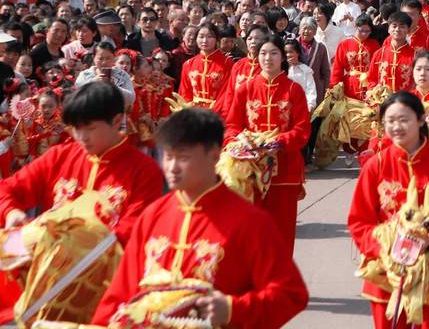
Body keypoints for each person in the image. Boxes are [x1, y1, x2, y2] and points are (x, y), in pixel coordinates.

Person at [92, 109, 308, 328]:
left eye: (183, 158)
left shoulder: (250, 222)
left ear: (214, 155)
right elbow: (120, 293)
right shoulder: (152, 216)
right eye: (168, 156)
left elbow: (290, 294)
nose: (172, 168)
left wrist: (233, 309)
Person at [348, 91, 429, 329]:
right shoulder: (376, 165)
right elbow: (358, 221)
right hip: (387, 273)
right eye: (390, 121)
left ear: (421, 120)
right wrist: (388, 245)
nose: (397, 127)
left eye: (404, 119)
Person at [0, 82, 163, 245]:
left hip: (109, 265)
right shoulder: (60, 156)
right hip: (51, 262)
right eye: (76, 128)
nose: (82, 137)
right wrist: (11, 212)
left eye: (90, 128)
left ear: (116, 120)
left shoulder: (144, 170)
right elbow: (7, 189)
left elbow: (135, 229)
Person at [224, 35, 311, 251]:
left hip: (285, 171)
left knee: (282, 232)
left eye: (273, 53)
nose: (267, 58)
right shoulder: (245, 88)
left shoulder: (293, 90)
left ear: (283, 57)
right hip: (249, 171)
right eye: (263, 53)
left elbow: (302, 130)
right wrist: (242, 143)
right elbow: (231, 126)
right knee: (251, 232)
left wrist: (278, 142)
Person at [177, 22, 234, 113]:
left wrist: (213, 112)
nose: (205, 40)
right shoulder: (188, 64)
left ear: (217, 40)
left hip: (217, 114)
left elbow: (227, 93)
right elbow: (184, 92)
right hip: (193, 114)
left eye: (210, 37)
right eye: (201, 36)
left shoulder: (227, 63)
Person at [330, 15, 380, 99]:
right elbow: (337, 67)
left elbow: (378, 67)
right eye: (361, 30)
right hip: (350, 85)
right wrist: (335, 86)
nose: (364, 34)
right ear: (355, 27)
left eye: (367, 31)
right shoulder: (344, 44)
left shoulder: (374, 44)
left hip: (369, 85)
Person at [366, 11, 417, 94]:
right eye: (394, 26)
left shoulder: (415, 55)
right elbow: (371, 80)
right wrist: (374, 93)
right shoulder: (379, 54)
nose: (397, 29)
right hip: (382, 103)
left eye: (402, 26)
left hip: (406, 102)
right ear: (389, 29)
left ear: (408, 30)